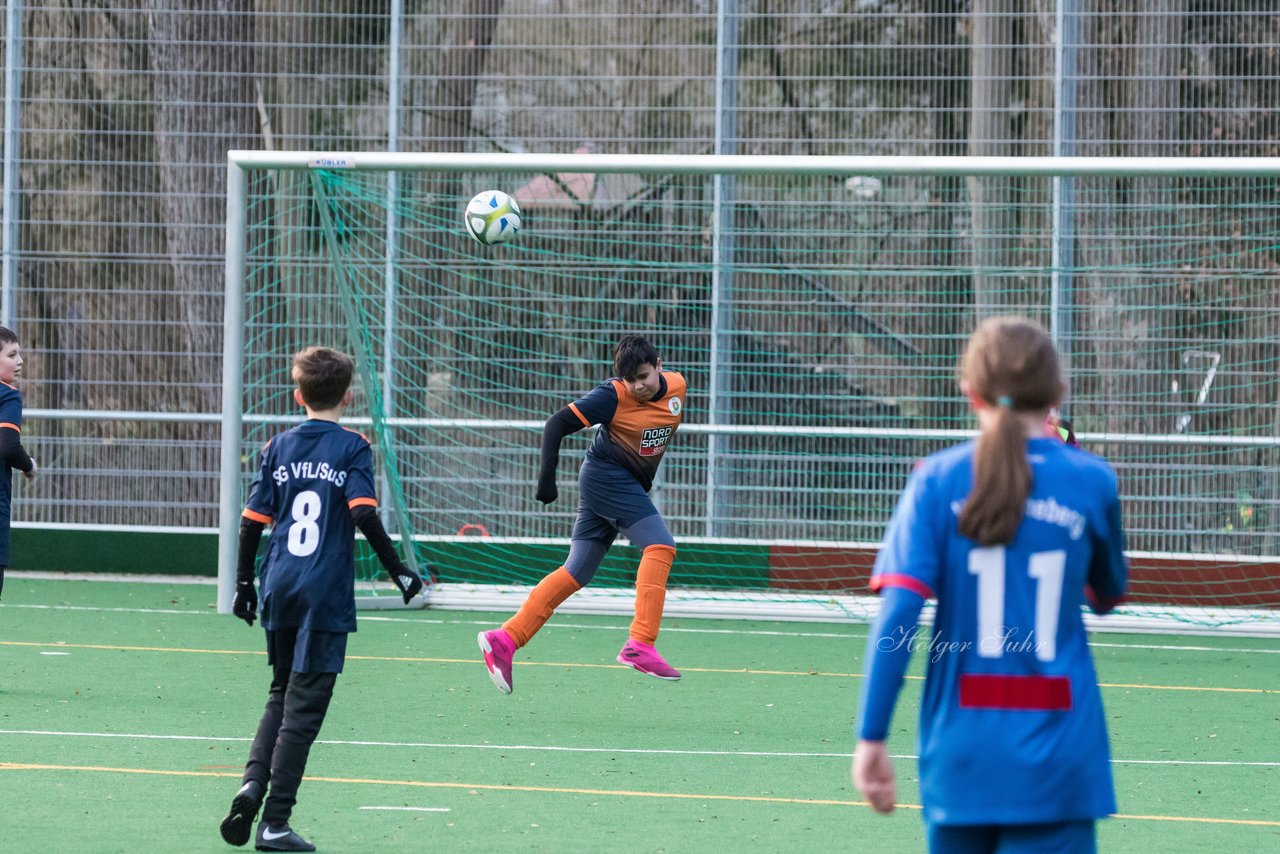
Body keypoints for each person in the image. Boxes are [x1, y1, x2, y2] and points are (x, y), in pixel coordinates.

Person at [852, 316, 1128, 854]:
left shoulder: (936, 479)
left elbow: (898, 616)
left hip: (963, 751)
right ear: (1058, 392)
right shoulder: (1093, 479)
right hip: (1061, 755)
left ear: (969, 391)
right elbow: (1108, 593)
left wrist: (871, 735)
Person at [219, 346, 423, 852]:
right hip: (322, 592)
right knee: (305, 709)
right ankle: (274, 823)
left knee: (280, 692)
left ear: (298, 395)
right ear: (348, 396)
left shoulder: (278, 446)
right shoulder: (353, 447)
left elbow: (251, 523)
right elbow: (362, 514)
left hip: (279, 582)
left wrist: (244, 585)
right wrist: (398, 570)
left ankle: (251, 783)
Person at [478, 334, 685, 693]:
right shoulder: (611, 396)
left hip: (619, 483)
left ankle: (505, 639)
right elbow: (556, 424)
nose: (638, 385)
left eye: (645, 375)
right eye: (630, 379)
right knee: (660, 547)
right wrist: (546, 480)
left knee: (577, 571)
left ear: (659, 366)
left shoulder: (678, 386)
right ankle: (641, 643)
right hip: (607, 478)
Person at [0, 326, 37, 600]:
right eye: (13, 354)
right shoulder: (8, 395)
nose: (20, 361)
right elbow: (8, 446)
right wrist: (29, 466)